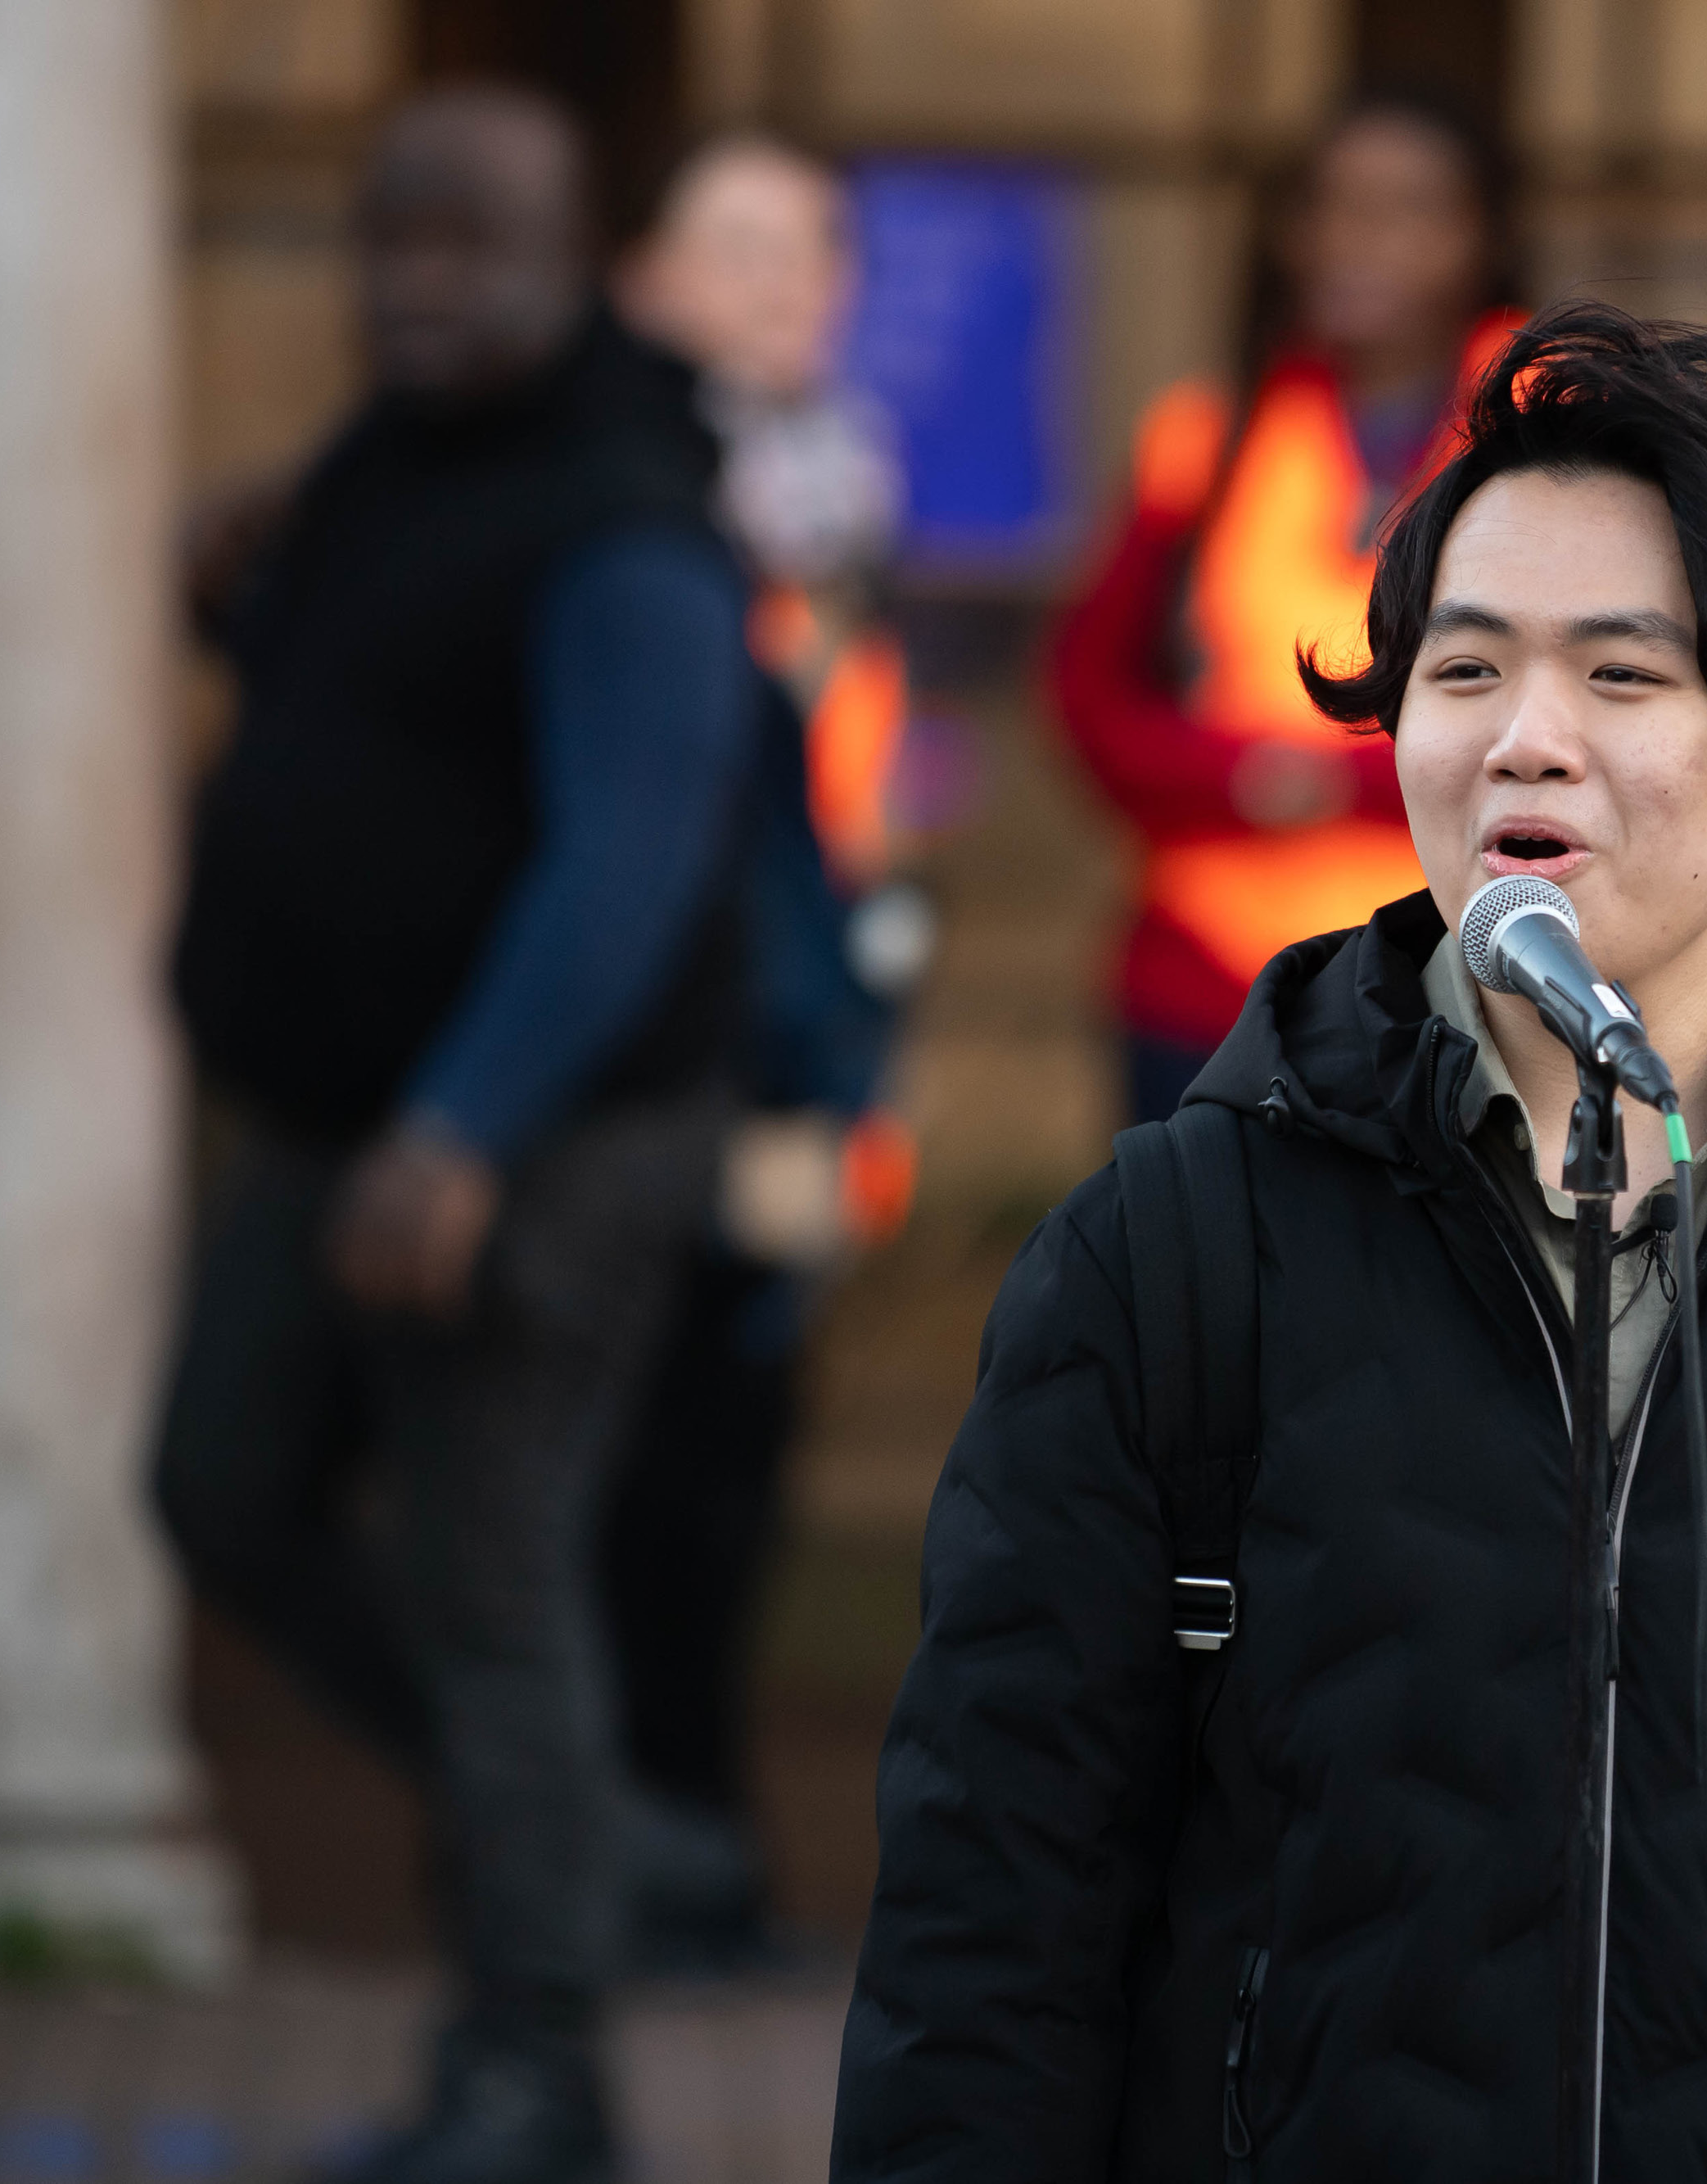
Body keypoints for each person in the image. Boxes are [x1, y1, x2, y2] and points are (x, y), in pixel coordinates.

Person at [831, 302, 1707, 2180]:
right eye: (1463, 675)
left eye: (1620, 680)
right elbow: (988, 1940)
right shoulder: (1170, 1254)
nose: (1520, 744)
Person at [153, 87, 759, 2184]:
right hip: (346, 1106)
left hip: (537, 1131)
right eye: (385, 239)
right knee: (218, 1478)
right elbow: (397, 732)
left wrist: (462, 1124)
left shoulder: (621, 513)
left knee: (491, 1583)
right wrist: (242, 600)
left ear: (567, 256)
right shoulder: (397, 454)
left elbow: (629, 861)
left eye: (464, 245)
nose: (414, 283)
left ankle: (538, 2070)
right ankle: (596, 1835)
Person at [602, 128, 921, 1974]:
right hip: (663, 1041)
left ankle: (696, 1849)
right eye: (743, 245)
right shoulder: (626, 487)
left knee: (732, 1448)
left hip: (804, 1037)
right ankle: (627, 1859)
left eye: (816, 245)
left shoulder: (836, 480)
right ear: (646, 274)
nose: (791, 280)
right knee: (632, 1459)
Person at [1051, 88, 1527, 1125]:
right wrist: (1255, 780)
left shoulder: (1553, 436)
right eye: (1334, 207)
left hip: (1462, 984)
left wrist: (1325, 787)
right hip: (1202, 980)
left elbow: (1583, 721)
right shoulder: (1208, 434)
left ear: (1480, 237)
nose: (1360, 240)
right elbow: (1088, 702)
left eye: (1407, 209)